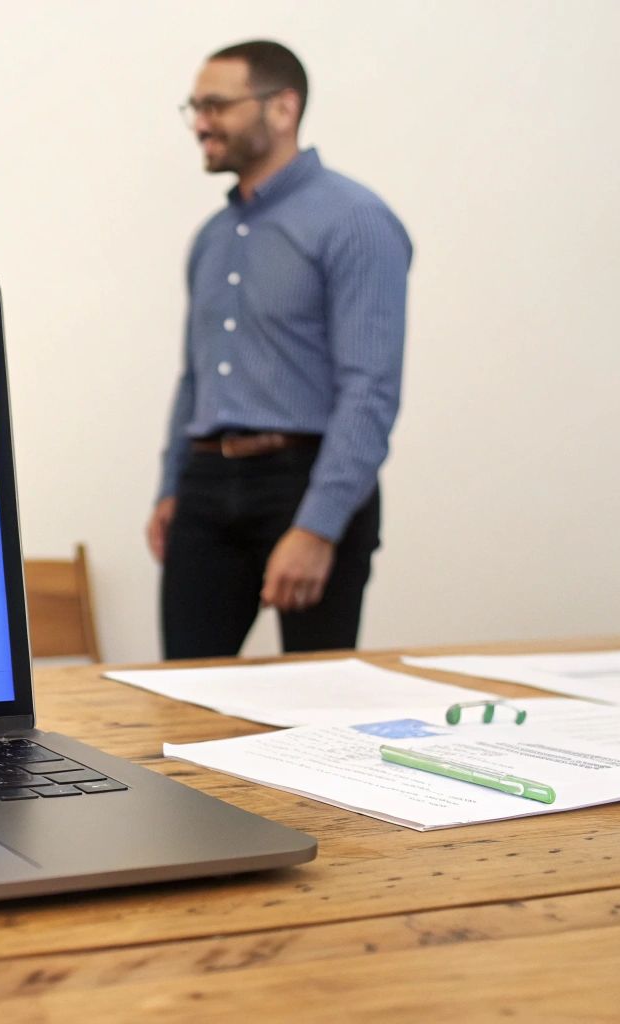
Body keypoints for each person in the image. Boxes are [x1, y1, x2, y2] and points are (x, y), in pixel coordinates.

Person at [148, 39, 411, 659]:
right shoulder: (211, 238)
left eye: (216, 105)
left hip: (305, 477)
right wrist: (172, 486)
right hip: (207, 483)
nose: (201, 123)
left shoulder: (355, 220)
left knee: (313, 706)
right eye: (195, 107)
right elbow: (196, 376)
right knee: (184, 692)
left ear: (282, 108)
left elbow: (370, 387)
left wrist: (319, 526)